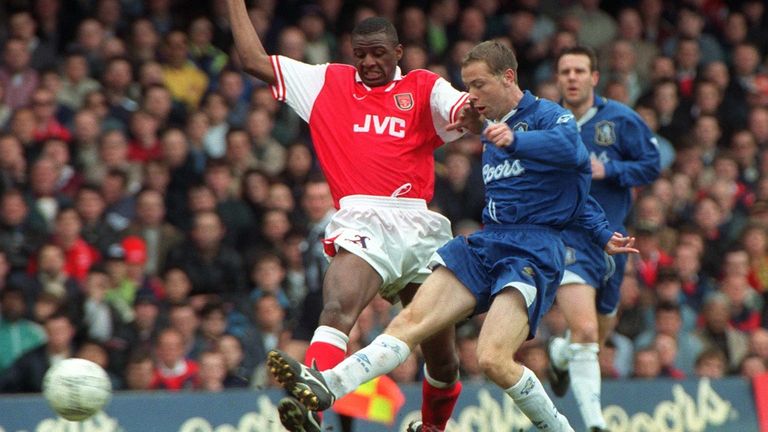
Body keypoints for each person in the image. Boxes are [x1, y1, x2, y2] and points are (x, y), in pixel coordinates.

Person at [266, 40, 637, 432]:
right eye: (467, 86)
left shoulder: (547, 116)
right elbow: (570, 188)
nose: (471, 96)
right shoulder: (492, 129)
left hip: (532, 251)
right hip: (488, 243)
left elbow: (572, 156)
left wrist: (520, 144)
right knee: (409, 321)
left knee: (492, 359)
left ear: (507, 77)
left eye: (478, 86)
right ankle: (327, 385)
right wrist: (599, 230)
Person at [227, 2, 480, 431]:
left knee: (443, 357)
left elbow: (465, 115)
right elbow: (253, 60)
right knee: (337, 310)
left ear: (398, 51)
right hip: (362, 218)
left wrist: (481, 110)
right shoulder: (327, 80)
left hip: (419, 226)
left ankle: (434, 427)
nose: (368, 62)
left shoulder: (423, 87)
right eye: (360, 53)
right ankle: (309, 410)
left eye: (378, 52)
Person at [548, 46, 660, 432]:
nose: (573, 78)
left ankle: (561, 354)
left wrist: (609, 169)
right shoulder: (549, 122)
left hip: (613, 243)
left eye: (580, 71)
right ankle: (595, 423)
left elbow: (652, 165)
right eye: (565, 71)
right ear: (558, 78)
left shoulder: (621, 120)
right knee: (586, 331)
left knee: (595, 333)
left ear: (594, 77)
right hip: (569, 239)